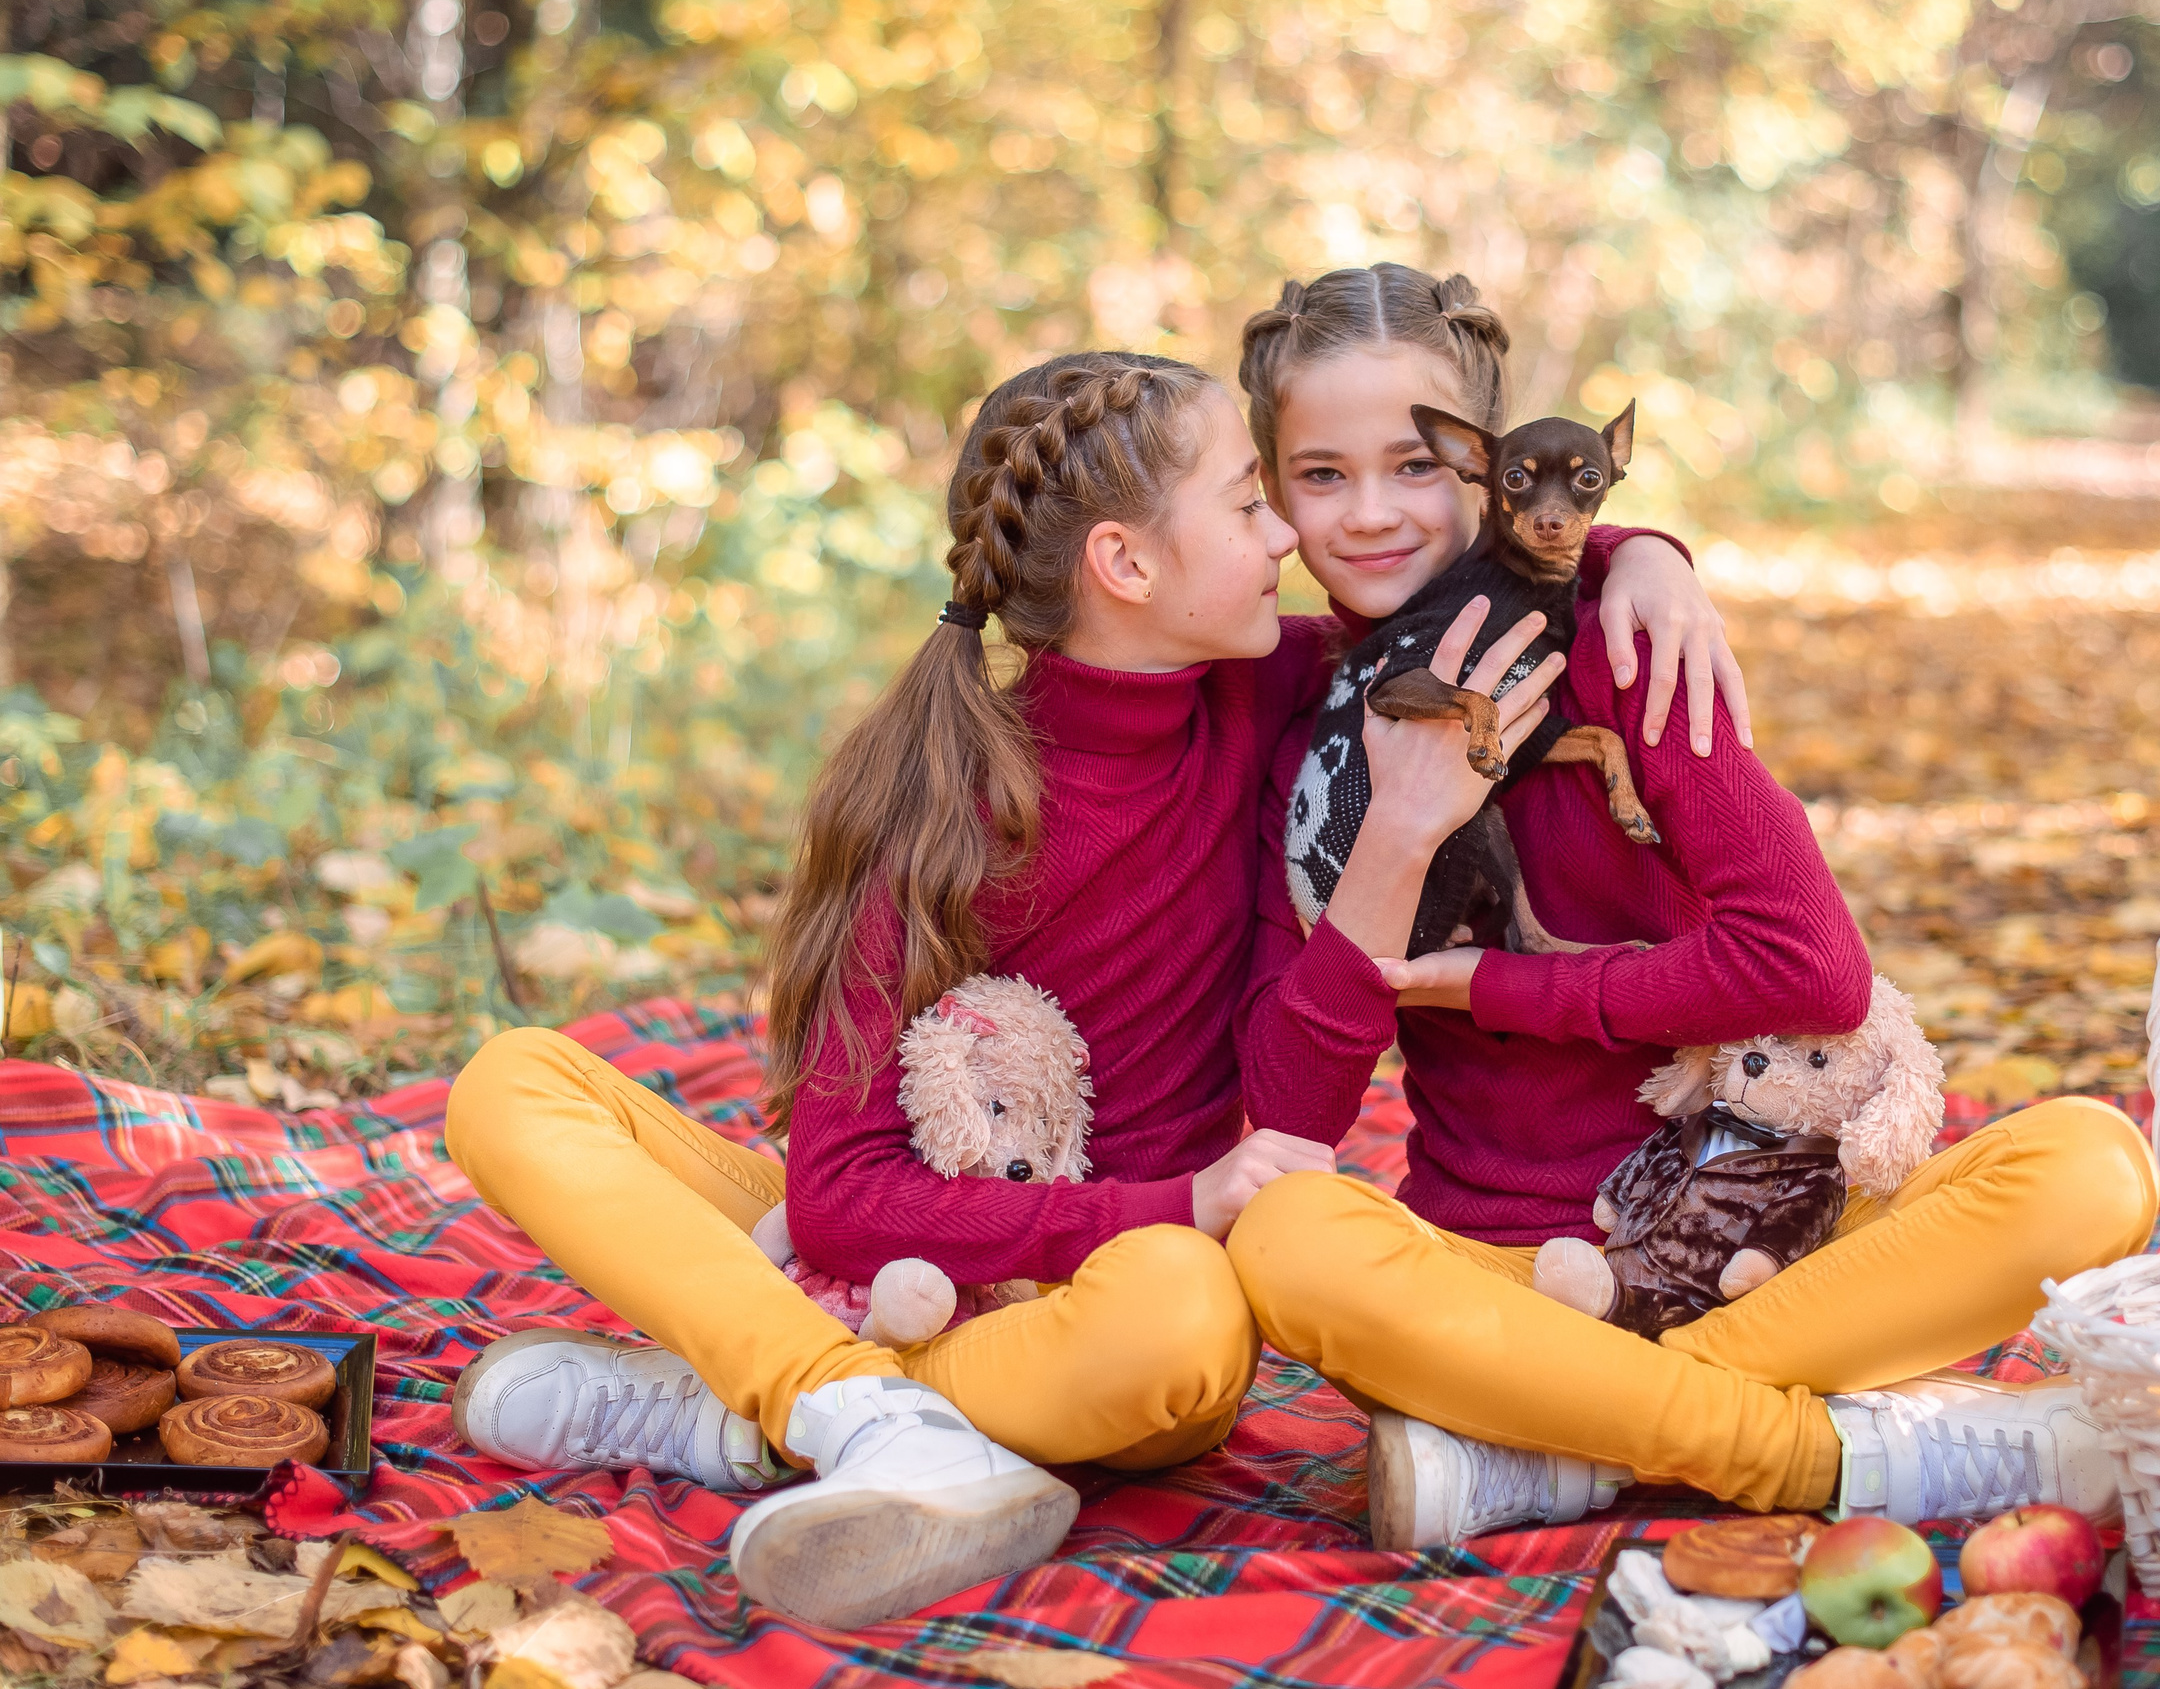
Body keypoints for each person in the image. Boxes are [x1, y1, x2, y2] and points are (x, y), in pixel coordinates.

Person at [439, 348, 1732, 1629]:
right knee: (515, 1082)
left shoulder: (1283, 696)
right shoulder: (940, 805)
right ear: (1126, 564)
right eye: (1247, 501)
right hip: (896, 1244)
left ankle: (736, 1395)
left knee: (1184, 1322)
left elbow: (1502, 576)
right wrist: (1186, 1197)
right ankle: (842, 1408)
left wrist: (1643, 558)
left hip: (1116, 1293)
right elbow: (836, 1200)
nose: (1286, 530)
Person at [1221, 263, 2160, 1549]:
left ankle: (1576, 1446)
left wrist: (1508, 984)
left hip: (1756, 1223)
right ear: (1272, 493)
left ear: (1494, 467)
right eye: (1321, 474)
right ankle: (1819, 1450)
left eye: (1417, 466)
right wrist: (1392, 830)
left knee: (2091, 1165)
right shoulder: (1302, 727)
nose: (1373, 513)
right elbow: (1287, 1106)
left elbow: (1813, 970)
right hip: (1502, 1273)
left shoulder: (1630, 643)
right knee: (1286, 1236)